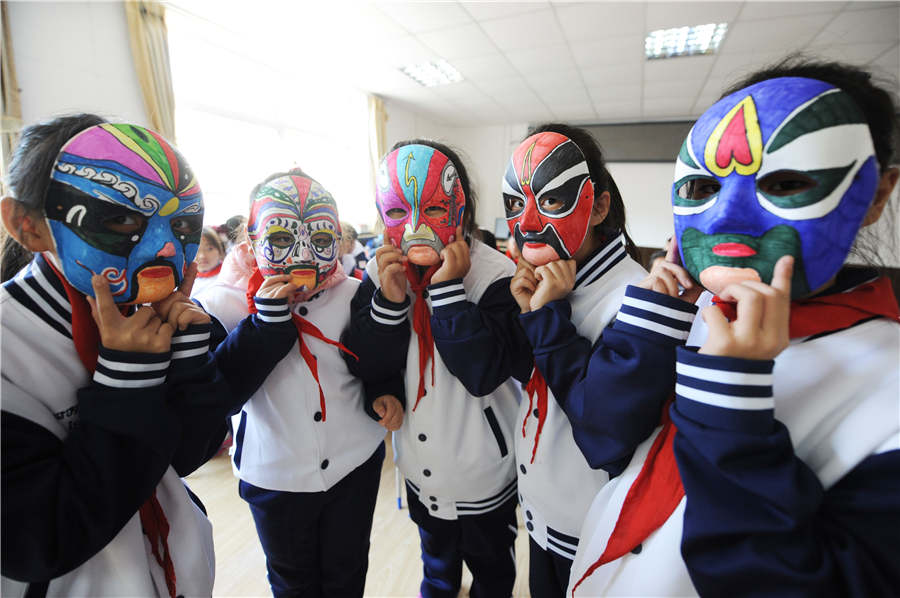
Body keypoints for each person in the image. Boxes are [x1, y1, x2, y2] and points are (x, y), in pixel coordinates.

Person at [568, 58, 900, 596]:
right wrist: (655, 320)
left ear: (877, 195)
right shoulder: (699, 312)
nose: (725, 219)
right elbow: (602, 438)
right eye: (702, 187)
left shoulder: (888, 396)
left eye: (787, 182)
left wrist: (731, 401)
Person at [0, 116, 232, 596]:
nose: (167, 247)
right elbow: (37, 538)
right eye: (123, 218)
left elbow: (190, 454)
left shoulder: (156, 312)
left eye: (184, 224)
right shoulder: (9, 345)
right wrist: (128, 379)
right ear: (28, 226)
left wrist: (188, 351)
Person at [504, 124, 698, 597]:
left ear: (600, 205)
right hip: (539, 513)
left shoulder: (638, 298)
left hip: (593, 530)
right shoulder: (535, 283)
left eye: (551, 201)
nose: (527, 222)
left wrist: (547, 319)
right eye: (515, 203)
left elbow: (605, 432)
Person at [343, 140, 530, 598]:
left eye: (432, 208)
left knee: (492, 573)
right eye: (397, 211)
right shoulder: (380, 272)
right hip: (419, 467)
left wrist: (447, 293)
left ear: (460, 207)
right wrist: (388, 312)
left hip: (483, 469)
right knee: (437, 570)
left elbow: (482, 370)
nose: (415, 227)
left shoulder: (496, 277)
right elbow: (367, 359)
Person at [195, 169, 389, 598]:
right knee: (292, 582)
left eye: (320, 241)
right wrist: (264, 323)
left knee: (348, 573)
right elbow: (216, 396)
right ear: (250, 236)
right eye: (282, 238)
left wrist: (383, 392)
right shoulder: (220, 305)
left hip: (354, 463)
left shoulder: (354, 292)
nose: (302, 254)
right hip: (275, 475)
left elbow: (374, 362)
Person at [192, 225, 225, 296]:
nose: (202, 256)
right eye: (195, 250)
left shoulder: (228, 277)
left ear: (220, 251)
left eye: (209, 249)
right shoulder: (184, 281)